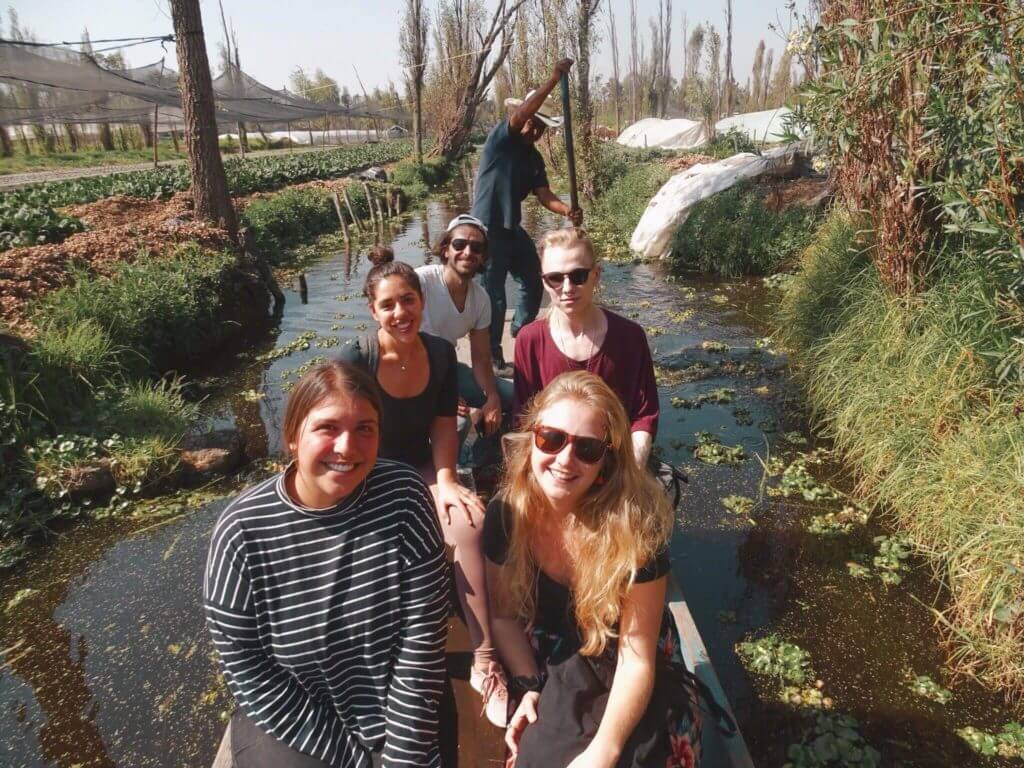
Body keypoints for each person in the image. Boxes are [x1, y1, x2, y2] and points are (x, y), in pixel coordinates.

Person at [204, 361, 448, 768]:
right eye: (328, 428)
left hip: (395, 712)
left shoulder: (404, 498)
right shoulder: (241, 535)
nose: (347, 447)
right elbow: (248, 669)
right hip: (294, 721)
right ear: (292, 437)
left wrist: (401, 757)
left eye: (364, 428)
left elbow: (422, 639)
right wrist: (349, 758)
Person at [485, 371, 702, 768]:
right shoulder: (506, 513)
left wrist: (605, 750)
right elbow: (502, 617)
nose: (565, 459)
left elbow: (636, 661)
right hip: (558, 651)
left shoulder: (635, 531)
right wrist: (529, 685)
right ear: (532, 437)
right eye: (551, 438)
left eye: (586, 448)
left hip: (627, 653)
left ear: (606, 461)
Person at [338, 248, 508, 727]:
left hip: (421, 466)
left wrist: (448, 479)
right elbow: (337, 436)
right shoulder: (356, 361)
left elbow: (443, 424)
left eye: (408, 300)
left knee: (469, 523)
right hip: (367, 475)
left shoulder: (437, 351)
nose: (400, 313)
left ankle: (485, 658)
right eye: (388, 304)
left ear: (420, 300)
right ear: (373, 310)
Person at [472, 58, 584, 374]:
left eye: (540, 126)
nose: (533, 128)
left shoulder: (533, 158)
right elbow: (521, 113)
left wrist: (567, 210)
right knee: (492, 295)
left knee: (535, 280)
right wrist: (554, 77)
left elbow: (544, 194)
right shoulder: (501, 141)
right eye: (531, 121)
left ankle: (521, 333)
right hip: (486, 229)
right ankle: (493, 356)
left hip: (511, 229)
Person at [513, 228, 659, 467]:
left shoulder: (630, 337)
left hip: (618, 462)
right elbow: (524, 420)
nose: (567, 287)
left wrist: (632, 472)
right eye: (556, 278)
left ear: (596, 275)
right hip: (557, 463)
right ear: (544, 280)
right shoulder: (530, 340)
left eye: (578, 275)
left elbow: (644, 416)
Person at [416, 214, 513, 460]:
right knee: (457, 423)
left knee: (511, 396)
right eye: (459, 245)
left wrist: (491, 397)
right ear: (446, 249)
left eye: (476, 247)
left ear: (483, 257)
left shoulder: (480, 300)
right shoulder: (421, 282)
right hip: (413, 373)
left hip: (448, 369)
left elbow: (480, 359)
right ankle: (442, 472)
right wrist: (442, 392)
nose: (467, 252)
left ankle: (479, 460)